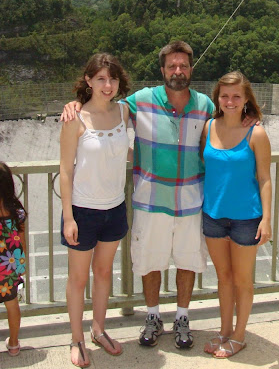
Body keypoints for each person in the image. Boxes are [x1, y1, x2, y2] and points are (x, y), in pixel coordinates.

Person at [62, 41, 218, 349]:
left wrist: (251, 117)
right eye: (172, 66)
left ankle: (182, 317)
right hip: (150, 201)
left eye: (183, 65)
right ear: (162, 70)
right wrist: (75, 104)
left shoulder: (205, 105)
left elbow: (230, 120)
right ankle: (153, 316)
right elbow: (101, 102)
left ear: (191, 69)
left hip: (191, 200)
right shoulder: (141, 101)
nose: (177, 71)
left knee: (187, 261)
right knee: (149, 261)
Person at [60, 53, 131, 367]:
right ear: (88, 80)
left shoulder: (123, 111)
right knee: (78, 279)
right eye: (101, 78)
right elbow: (65, 170)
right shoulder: (74, 118)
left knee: (103, 273)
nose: (107, 85)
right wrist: (68, 217)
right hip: (83, 210)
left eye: (112, 78)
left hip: (114, 207)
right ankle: (76, 338)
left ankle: (98, 329)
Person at [201, 71, 272, 359]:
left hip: (246, 218)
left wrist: (266, 219)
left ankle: (239, 336)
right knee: (223, 277)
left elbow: (264, 178)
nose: (230, 101)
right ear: (217, 98)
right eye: (224, 96)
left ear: (246, 100)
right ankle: (224, 330)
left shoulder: (256, 133)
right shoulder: (208, 127)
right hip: (213, 215)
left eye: (236, 96)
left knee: (242, 280)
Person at [0, 161, 27, 357]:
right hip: (9, 270)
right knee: (12, 305)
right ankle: (14, 343)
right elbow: (21, 242)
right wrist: (21, 265)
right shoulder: (17, 213)